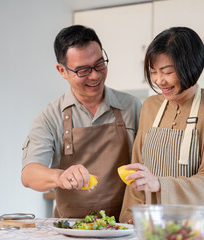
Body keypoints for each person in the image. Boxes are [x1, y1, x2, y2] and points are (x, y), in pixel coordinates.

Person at [119, 27, 204, 231]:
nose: (158, 80)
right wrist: (131, 215)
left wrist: (160, 185)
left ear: (190, 66)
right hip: (160, 228)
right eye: (154, 72)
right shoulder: (150, 107)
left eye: (167, 72)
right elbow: (137, 170)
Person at [21, 25, 142, 219]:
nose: (95, 75)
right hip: (69, 228)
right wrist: (59, 177)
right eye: (83, 70)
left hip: (123, 227)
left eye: (99, 64)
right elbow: (29, 175)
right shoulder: (49, 116)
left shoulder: (132, 107)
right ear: (62, 71)